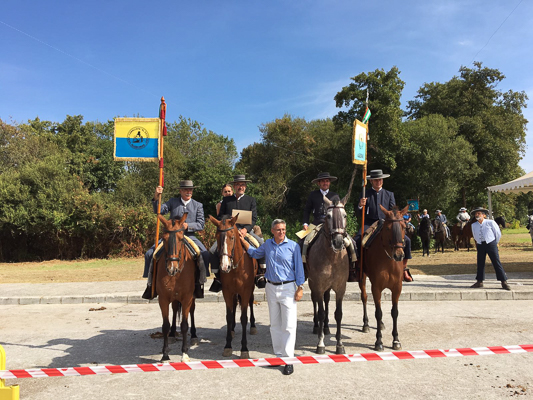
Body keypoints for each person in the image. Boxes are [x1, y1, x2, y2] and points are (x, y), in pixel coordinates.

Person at [239, 219, 305, 376]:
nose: (281, 232)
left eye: (283, 229)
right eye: (278, 229)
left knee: (288, 325)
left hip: (288, 287)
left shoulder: (293, 246)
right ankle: (278, 357)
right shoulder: (268, 244)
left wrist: (300, 287)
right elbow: (255, 253)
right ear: (272, 231)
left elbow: (299, 267)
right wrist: (242, 240)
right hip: (271, 287)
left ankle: (289, 360)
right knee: (275, 325)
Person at [142, 180, 210, 299]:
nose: (188, 192)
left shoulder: (198, 205)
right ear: (181, 191)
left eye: (190, 190)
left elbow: (201, 224)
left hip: (189, 236)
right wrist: (156, 196)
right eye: (185, 190)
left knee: (204, 254)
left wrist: (188, 225)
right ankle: (150, 284)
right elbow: (159, 211)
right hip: (172, 236)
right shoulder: (173, 202)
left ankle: (199, 283)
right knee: (149, 254)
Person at [209, 174, 265, 292]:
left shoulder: (251, 200)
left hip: (246, 231)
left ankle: (260, 273)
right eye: (238, 184)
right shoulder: (226, 200)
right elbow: (220, 217)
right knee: (213, 250)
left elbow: (254, 218)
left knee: (260, 244)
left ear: (245, 187)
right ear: (234, 186)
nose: (241, 187)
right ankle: (218, 277)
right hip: (229, 232)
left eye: (243, 185)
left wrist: (245, 230)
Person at [355, 169, 413, 282]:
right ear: (371, 181)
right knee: (358, 239)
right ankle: (358, 268)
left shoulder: (389, 194)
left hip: (387, 223)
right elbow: (359, 213)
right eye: (376, 180)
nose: (378, 182)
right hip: (369, 223)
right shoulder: (364, 194)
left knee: (407, 240)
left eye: (380, 180)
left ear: (382, 180)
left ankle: (404, 268)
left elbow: (394, 211)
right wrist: (360, 206)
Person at [469, 207, 511, 291]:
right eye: (476, 214)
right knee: (480, 263)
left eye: (479, 213)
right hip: (480, 244)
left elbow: (497, 233)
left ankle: (503, 281)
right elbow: (474, 235)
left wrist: (494, 242)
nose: (477, 215)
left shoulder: (490, 222)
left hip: (491, 243)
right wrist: (479, 242)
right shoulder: (474, 225)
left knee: (496, 262)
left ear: (484, 215)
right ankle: (479, 281)